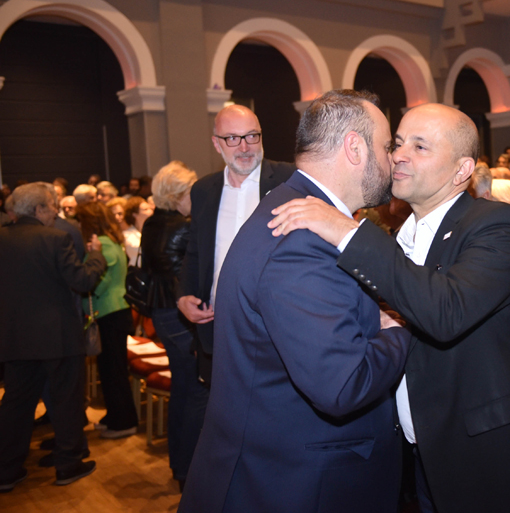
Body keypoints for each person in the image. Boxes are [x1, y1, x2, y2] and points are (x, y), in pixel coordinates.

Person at [270, 102, 510, 513]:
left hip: (490, 458)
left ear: (462, 170)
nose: (399, 155)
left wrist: (348, 231)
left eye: (420, 146)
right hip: (425, 456)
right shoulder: (399, 239)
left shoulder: (498, 224)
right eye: (397, 143)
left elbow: (445, 312)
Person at [179, 90, 410, 512]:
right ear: (355, 148)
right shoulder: (302, 240)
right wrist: (399, 331)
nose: (393, 159)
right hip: (297, 482)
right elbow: (343, 385)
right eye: (386, 146)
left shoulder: (287, 204)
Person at [177, 104, 295, 384]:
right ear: (216, 144)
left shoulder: (290, 180)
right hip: (217, 327)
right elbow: (195, 252)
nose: (244, 147)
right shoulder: (203, 190)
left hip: (278, 328)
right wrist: (183, 295)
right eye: (232, 138)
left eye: (252, 136)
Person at [0, 183, 105, 491]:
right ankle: (68, 465)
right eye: (51, 207)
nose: (55, 212)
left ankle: (6, 469)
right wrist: (96, 257)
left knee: (16, 404)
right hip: (58, 336)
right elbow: (82, 280)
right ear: (39, 209)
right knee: (66, 401)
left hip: (15, 337)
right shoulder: (55, 239)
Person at [142, 161, 206, 490]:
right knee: (196, 391)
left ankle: (180, 467)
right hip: (180, 315)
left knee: (182, 389)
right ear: (178, 194)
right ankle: (189, 470)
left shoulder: (152, 222)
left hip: (161, 313)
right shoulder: (183, 226)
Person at [75, 201, 138, 439]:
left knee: (114, 372)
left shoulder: (104, 244)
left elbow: (96, 283)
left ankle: (124, 422)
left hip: (111, 313)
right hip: (112, 312)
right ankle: (114, 416)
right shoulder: (109, 241)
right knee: (110, 370)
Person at [123, 196, 152, 267]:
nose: (151, 211)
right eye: (146, 209)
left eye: (150, 208)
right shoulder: (128, 235)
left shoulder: (152, 231)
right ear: (135, 214)